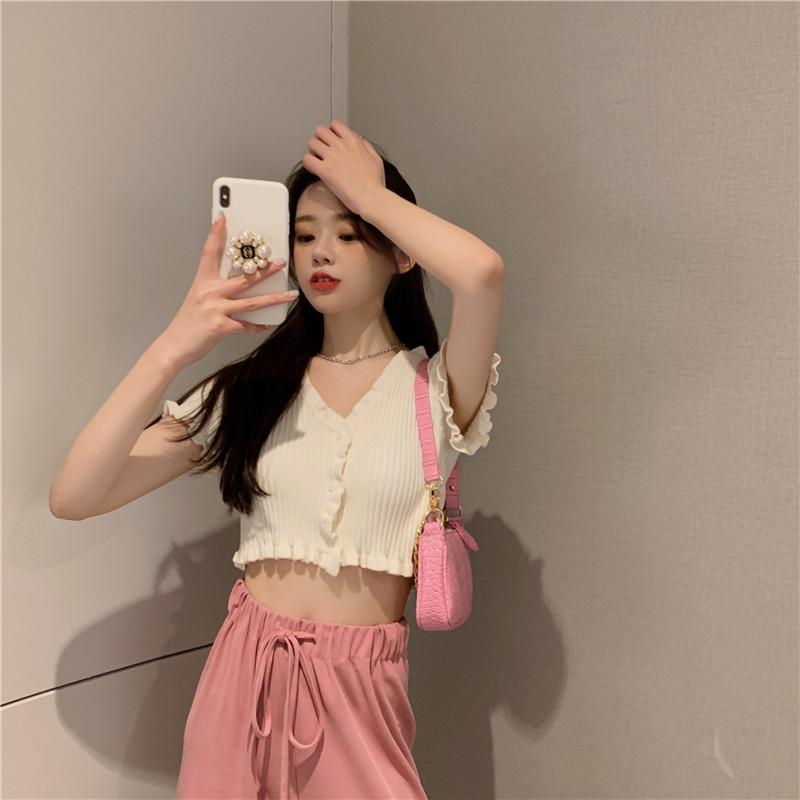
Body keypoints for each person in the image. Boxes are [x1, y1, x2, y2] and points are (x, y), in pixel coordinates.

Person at [49, 124, 503, 799]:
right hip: (243, 677)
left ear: (399, 252)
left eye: (349, 233)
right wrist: (175, 346)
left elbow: (482, 274)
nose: (321, 250)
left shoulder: (435, 391)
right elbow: (74, 496)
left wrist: (370, 195)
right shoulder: (254, 393)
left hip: (361, 691)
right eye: (304, 234)